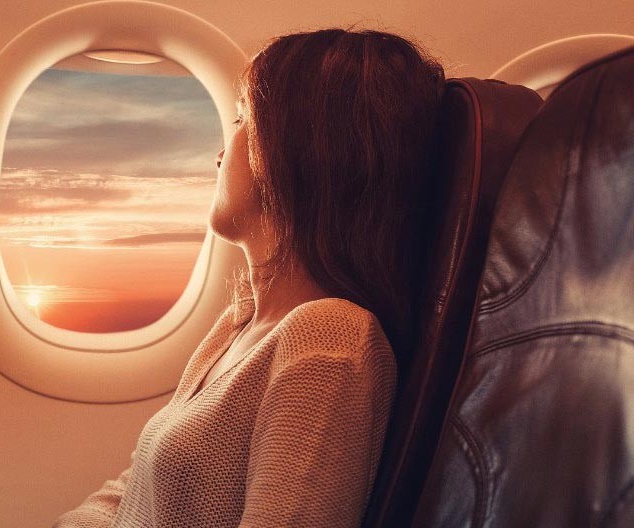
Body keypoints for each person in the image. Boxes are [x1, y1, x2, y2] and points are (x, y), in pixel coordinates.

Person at [55, 28, 445, 528]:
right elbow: (133, 490)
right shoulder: (238, 326)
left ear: (296, 150)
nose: (218, 155)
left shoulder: (330, 341)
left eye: (241, 119)